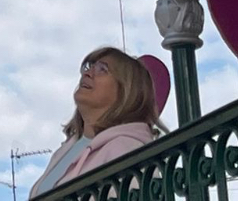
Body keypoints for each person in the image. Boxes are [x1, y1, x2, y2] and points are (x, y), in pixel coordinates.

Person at [27, 46, 164, 198]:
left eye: (102, 69)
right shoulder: (65, 151)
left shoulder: (126, 148)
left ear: (125, 91)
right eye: (89, 66)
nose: (87, 73)